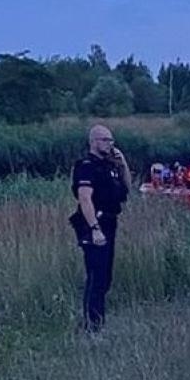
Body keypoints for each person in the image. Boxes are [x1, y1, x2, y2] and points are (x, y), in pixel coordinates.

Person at [71, 123, 132, 332]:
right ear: (94, 141)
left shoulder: (110, 166)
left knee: (105, 277)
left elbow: (126, 188)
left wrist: (122, 163)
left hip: (110, 221)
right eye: (105, 140)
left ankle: (96, 321)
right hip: (94, 223)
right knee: (96, 276)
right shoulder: (86, 166)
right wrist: (94, 228)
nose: (110, 144)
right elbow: (85, 199)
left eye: (111, 140)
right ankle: (92, 326)